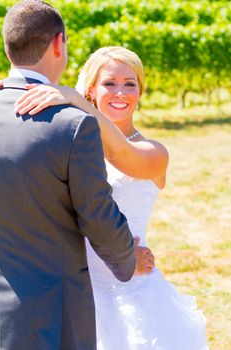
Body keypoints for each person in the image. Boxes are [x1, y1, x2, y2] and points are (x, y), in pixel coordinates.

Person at [14, 46, 209, 349]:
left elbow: (120, 152)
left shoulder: (154, 153)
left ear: (140, 92)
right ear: (92, 89)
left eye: (130, 84)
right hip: (74, 291)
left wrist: (73, 100)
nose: (120, 92)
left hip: (132, 292)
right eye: (109, 83)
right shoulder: (67, 145)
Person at [0, 2, 155, 349]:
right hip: (58, 311)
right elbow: (98, 215)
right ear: (59, 44)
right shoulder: (72, 125)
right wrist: (128, 256)